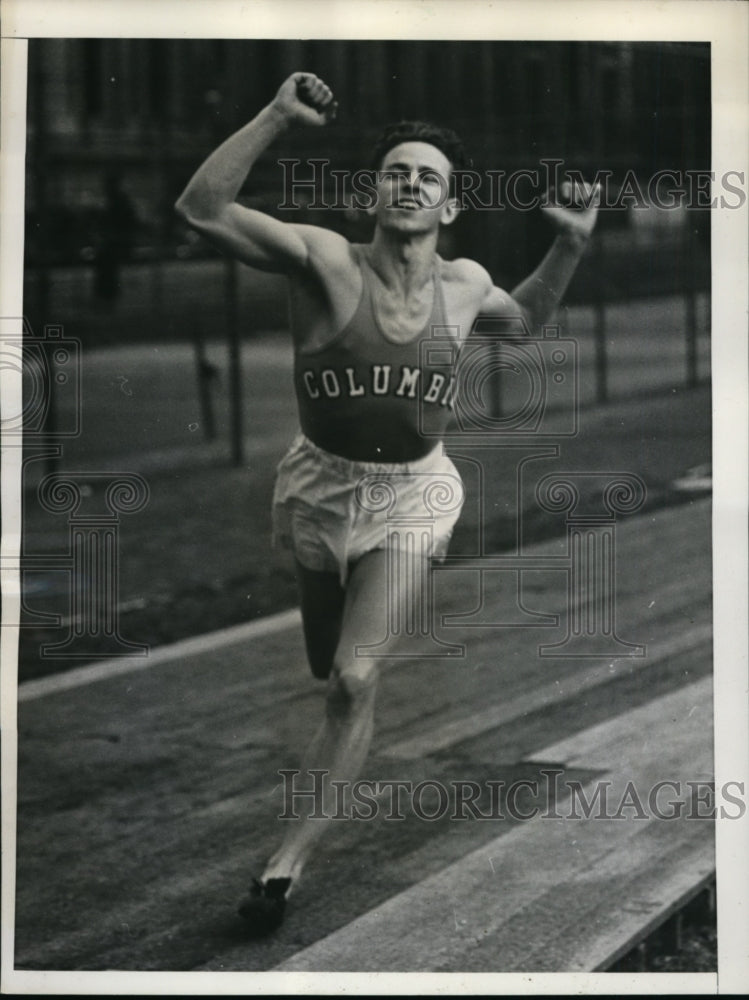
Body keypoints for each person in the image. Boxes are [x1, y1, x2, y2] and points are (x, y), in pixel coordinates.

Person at [175, 72, 599, 935]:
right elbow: (202, 209)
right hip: (320, 489)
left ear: (449, 209)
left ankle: (282, 868)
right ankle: (338, 709)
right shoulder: (326, 262)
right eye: (395, 171)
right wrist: (277, 117)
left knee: (354, 680)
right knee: (326, 663)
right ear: (373, 192)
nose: (409, 183)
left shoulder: (464, 283)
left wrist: (568, 246)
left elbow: (518, 324)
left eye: (427, 177)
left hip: (412, 495)